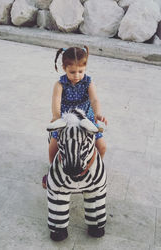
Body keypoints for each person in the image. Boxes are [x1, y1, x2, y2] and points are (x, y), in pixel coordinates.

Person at [42, 46, 107, 189]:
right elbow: (56, 101)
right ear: (64, 68)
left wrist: (97, 113)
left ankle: (95, 167)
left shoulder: (88, 83)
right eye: (72, 72)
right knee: (53, 146)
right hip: (66, 121)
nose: (77, 75)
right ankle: (52, 171)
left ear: (85, 68)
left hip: (86, 120)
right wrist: (56, 116)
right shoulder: (60, 84)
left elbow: (95, 100)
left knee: (102, 146)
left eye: (80, 71)